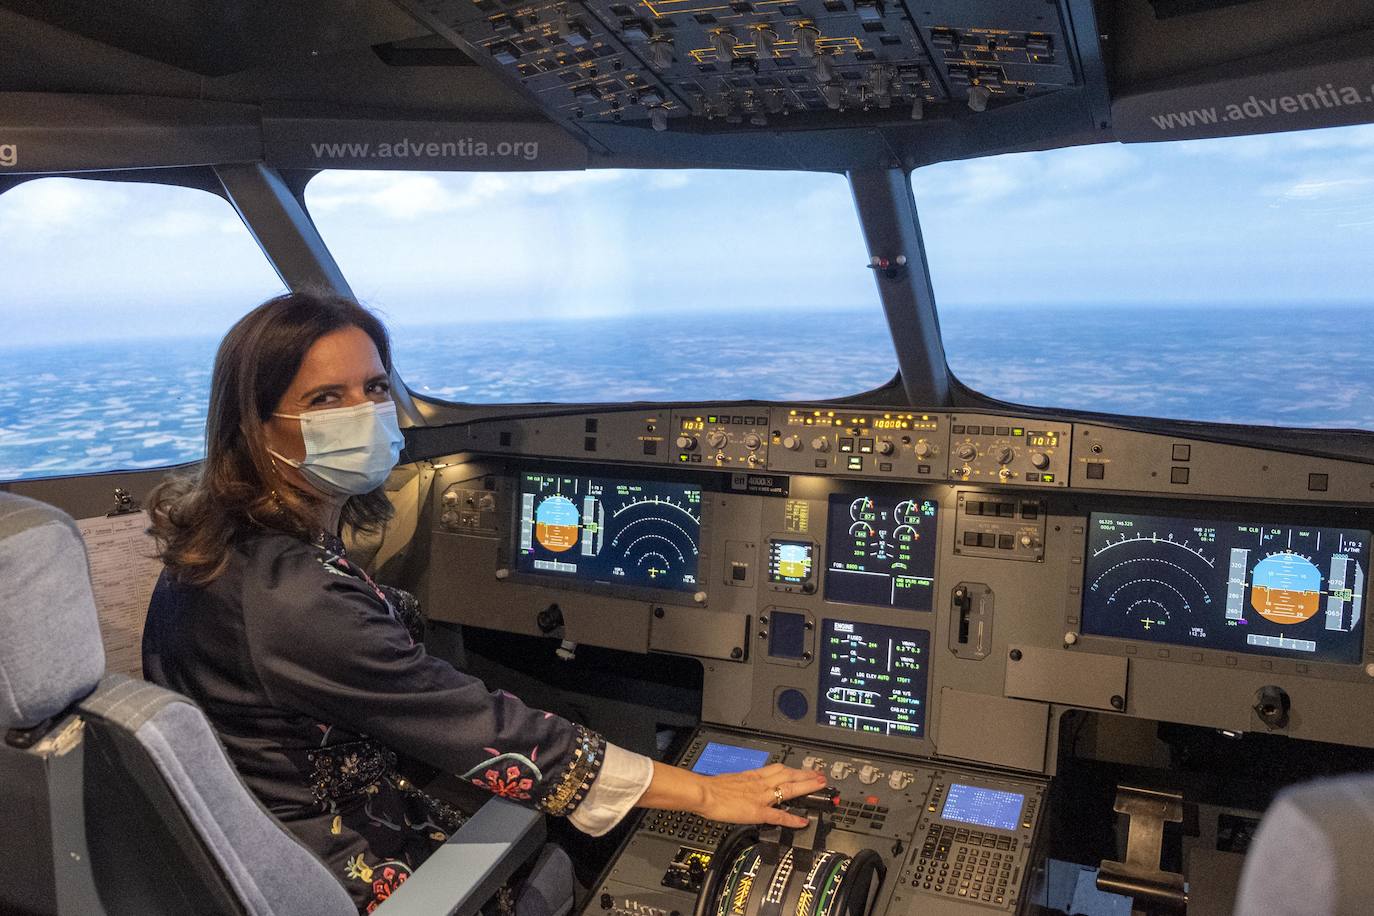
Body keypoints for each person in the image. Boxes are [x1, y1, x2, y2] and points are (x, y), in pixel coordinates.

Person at [143, 290, 825, 913]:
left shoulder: (217, 550)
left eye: (375, 388)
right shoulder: (292, 600)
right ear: (257, 426)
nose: (364, 413)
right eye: (326, 398)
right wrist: (708, 791)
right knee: (593, 849)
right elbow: (490, 730)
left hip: (265, 846)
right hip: (338, 871)